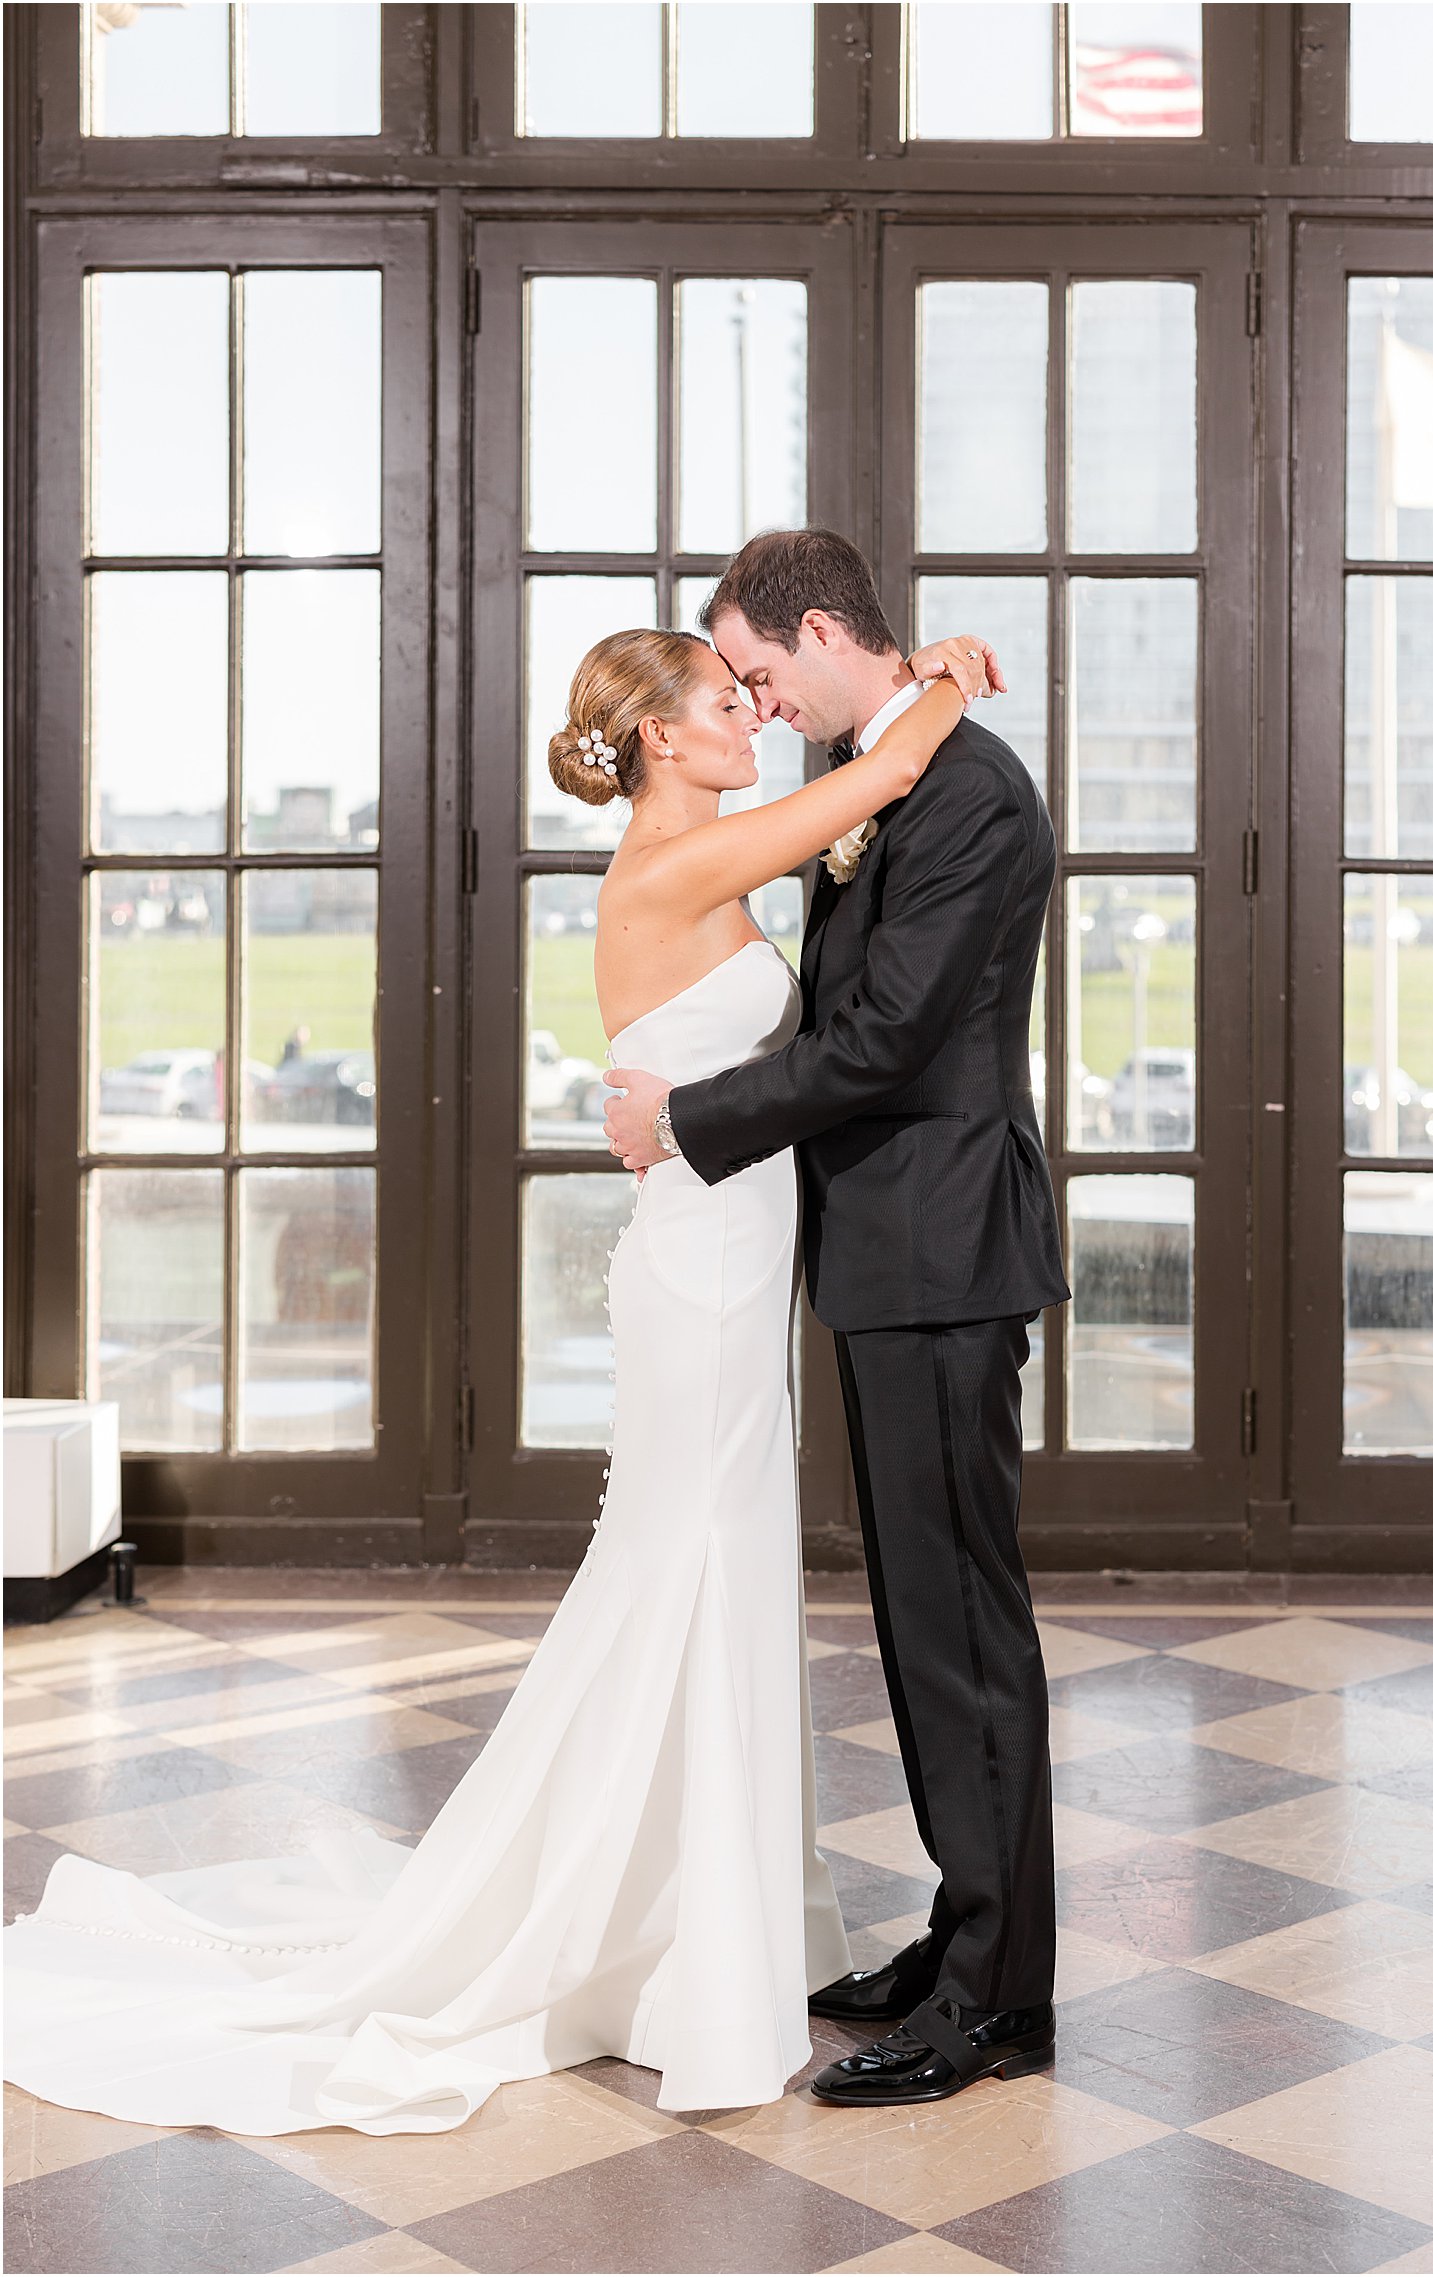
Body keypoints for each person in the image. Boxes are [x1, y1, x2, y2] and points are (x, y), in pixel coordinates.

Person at [2, 613, 994, 2135]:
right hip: (702, 1277)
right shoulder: (673, 865)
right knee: (692, 1567)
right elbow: (871, 787)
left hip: (719, 1261)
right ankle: (672, 1950)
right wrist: (947, 675)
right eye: (733, 704)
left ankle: (701, 1930)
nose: (756, 720)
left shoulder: (696, 855)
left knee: (713, 1573)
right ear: (665, 735)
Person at [605, 527, 1070, 2109]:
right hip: (884, 1262)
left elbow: (876, 1042)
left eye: (756, 671)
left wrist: (690, 1118)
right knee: (920, 1627)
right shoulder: (890, 775)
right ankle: (964, 1937)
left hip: (944, 1258)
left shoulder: (973, 796)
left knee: (963, 1634)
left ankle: (994, 2000)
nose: (752, 696)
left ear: (818, 632)